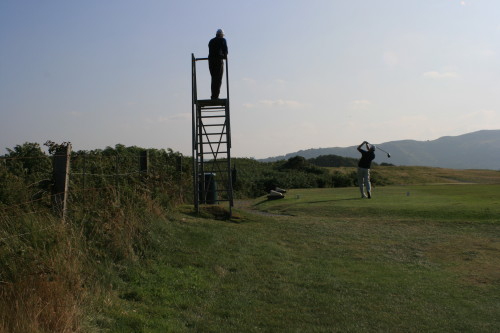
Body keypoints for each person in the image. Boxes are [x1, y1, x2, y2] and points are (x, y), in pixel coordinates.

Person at [208, 29, 228, 100]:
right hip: (218, 60)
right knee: (218, 78)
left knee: (213, 78)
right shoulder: (223, 40)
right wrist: (225, 56)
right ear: (221, 35)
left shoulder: (211, 41)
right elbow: (225, 50)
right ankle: (215, 96)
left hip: (211, 61)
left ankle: (213, 95)